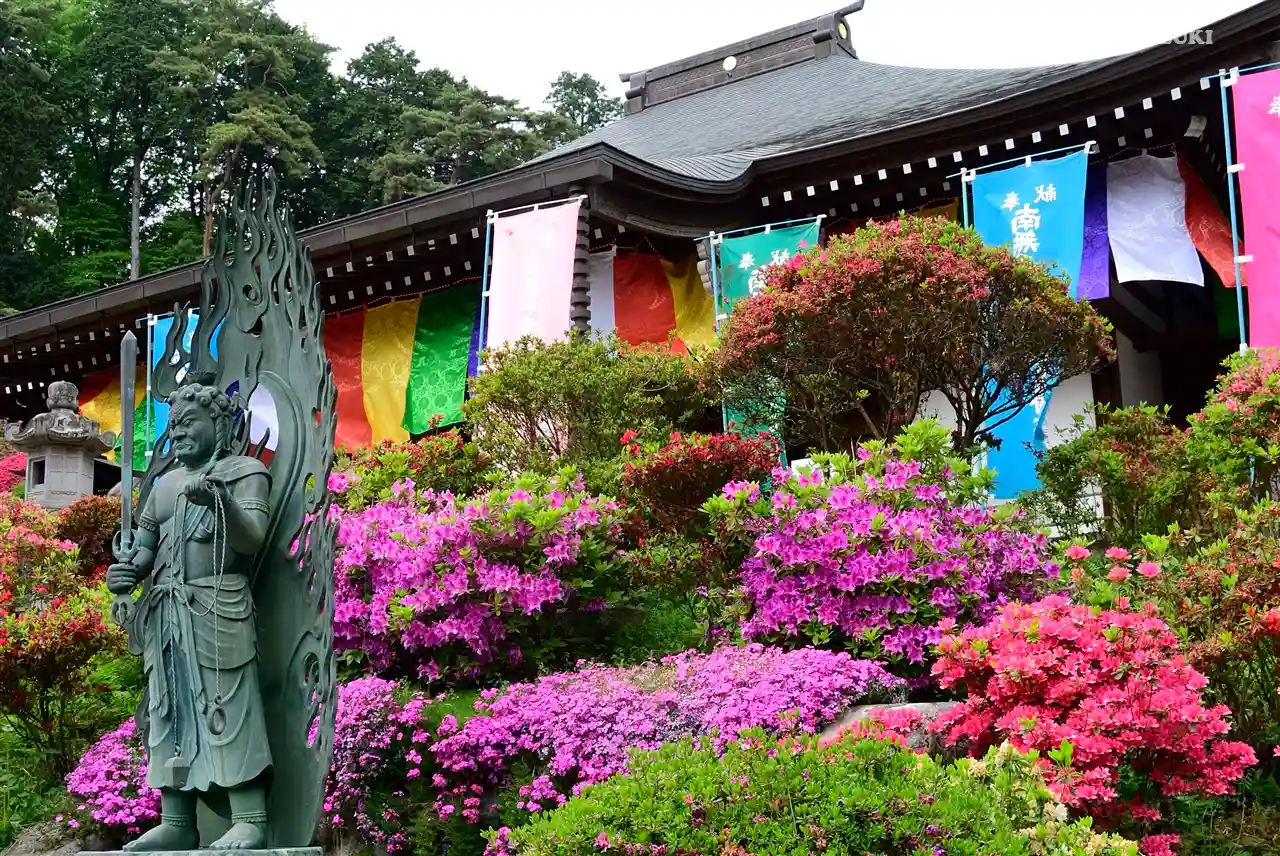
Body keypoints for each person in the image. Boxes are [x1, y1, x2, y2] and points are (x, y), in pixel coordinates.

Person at [107, 376, 273, 851]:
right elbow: (143, 551)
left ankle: (250, 817)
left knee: (230, 706)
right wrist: (124, 573)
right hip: (167, 614)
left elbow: (252, 539)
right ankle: (177, 820)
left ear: (218, 422)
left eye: (189, 421)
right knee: (169, 713)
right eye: (174, 423)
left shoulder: (245, 472)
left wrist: (221, 501)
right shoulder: (163, 487)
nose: (178, 430)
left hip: (219, 606)